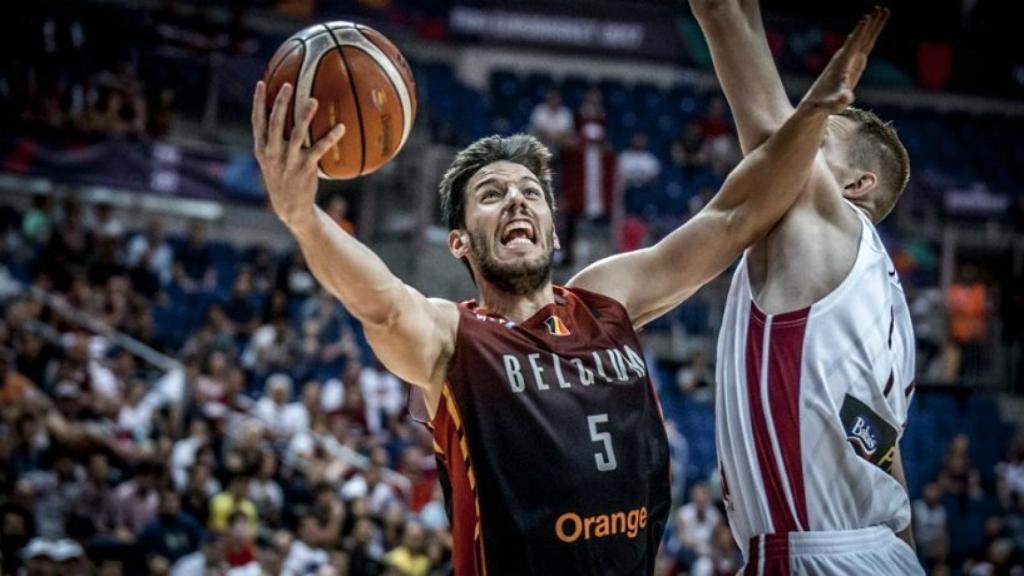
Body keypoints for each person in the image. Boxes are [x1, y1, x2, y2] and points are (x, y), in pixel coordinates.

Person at [251, 38, 870, 572]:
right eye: (492, 195)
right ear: (459, 241)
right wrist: (302, 218)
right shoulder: (455, 337)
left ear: (552, 228)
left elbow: (735, 218)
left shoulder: (606, 300)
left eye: (530, 193)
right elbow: (384, 306)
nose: (517, 201)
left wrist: (810, 114)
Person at [691, 2, 920, 573]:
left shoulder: (828, 222)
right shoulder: (878, 292)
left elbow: (765, 121)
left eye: (816, 142)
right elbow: (884, 452)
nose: (796, 142)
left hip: (819, 557)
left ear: (856, 183)